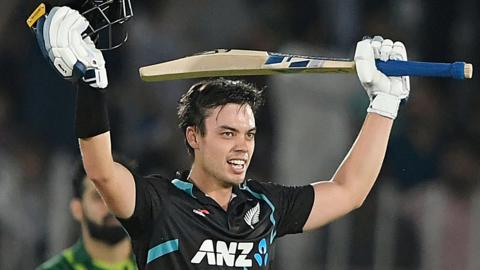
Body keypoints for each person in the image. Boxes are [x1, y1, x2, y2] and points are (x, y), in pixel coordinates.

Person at [32, 4, 410, 270]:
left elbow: (349, 190)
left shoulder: (266, 206)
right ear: (193, 137)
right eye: (227, 133)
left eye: (249, 134)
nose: (242, 146)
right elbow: (101, 170)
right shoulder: (159, 204)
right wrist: (92, 84)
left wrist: (385, 103)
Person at [36, 161, 136, 269]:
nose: (113, 205)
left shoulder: (154, 264)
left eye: (121, 194)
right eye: (99, 196)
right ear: (77, 209)